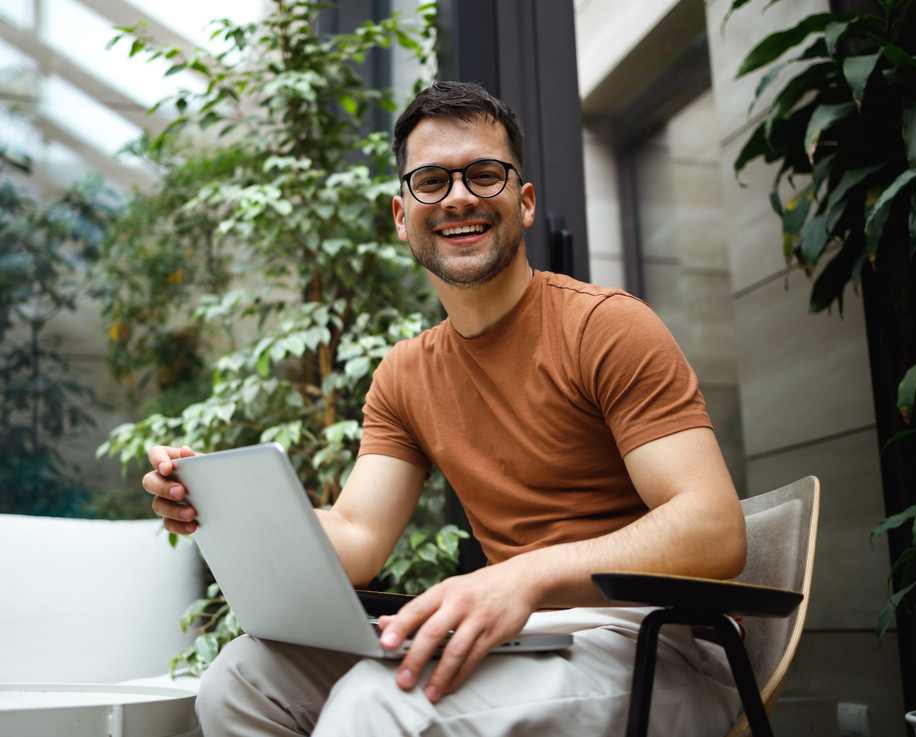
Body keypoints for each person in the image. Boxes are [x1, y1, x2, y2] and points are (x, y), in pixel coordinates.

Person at [144, 81, 747, 737]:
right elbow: (356, 537)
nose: (459, 196)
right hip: (512, 638)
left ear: (523, 202)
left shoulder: (606, 327)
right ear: (401, 215)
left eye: (483, 174)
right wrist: (226, 506)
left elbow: (715, 527)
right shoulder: (407, 372)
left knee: (379, 704)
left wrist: (524, 577)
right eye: (431, 180)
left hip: (648, 639)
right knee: (241, 680)